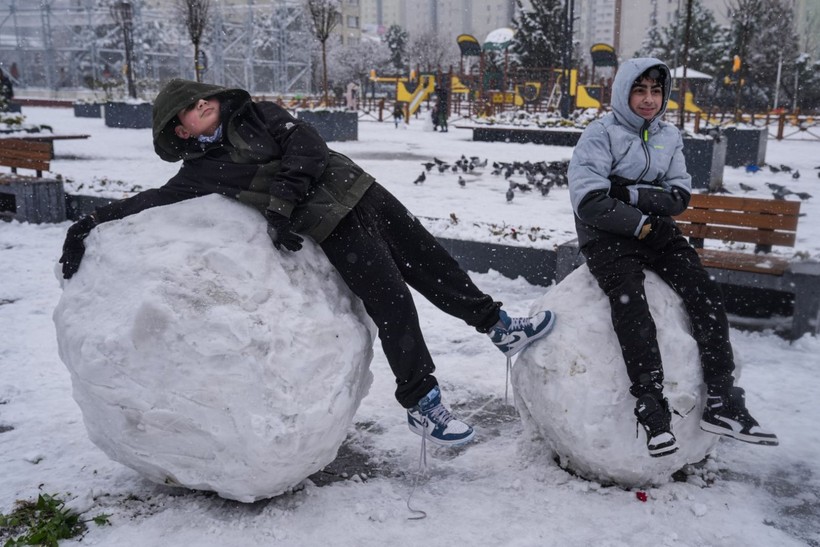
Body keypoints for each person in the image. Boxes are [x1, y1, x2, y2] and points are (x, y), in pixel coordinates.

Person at [59, 79, 556, 449]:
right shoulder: (200, 173)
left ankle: (498, 325)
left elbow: (308, 146)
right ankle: (423, 404)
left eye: (198, 97)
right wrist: (89, 222)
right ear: (179, 130)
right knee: (394, 304)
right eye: (187, 109)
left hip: (362, 191)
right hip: (333, 224)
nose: (199, 105)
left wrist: (280, 202)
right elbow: (150, 200)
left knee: (435, 264)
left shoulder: (258, 114)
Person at [567, 58, 778, 458]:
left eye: (656, 91)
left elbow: (679, 196)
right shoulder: (600, 135)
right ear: (624, 92)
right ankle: (650, 404)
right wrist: (641, 216)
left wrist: (628, 193)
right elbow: (591, 201)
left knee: (704, 291)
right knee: (631, 302)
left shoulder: (669, 136)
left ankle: (721, 398)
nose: (648, 100)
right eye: (640, 89)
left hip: (656, 230)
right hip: (607, 236)